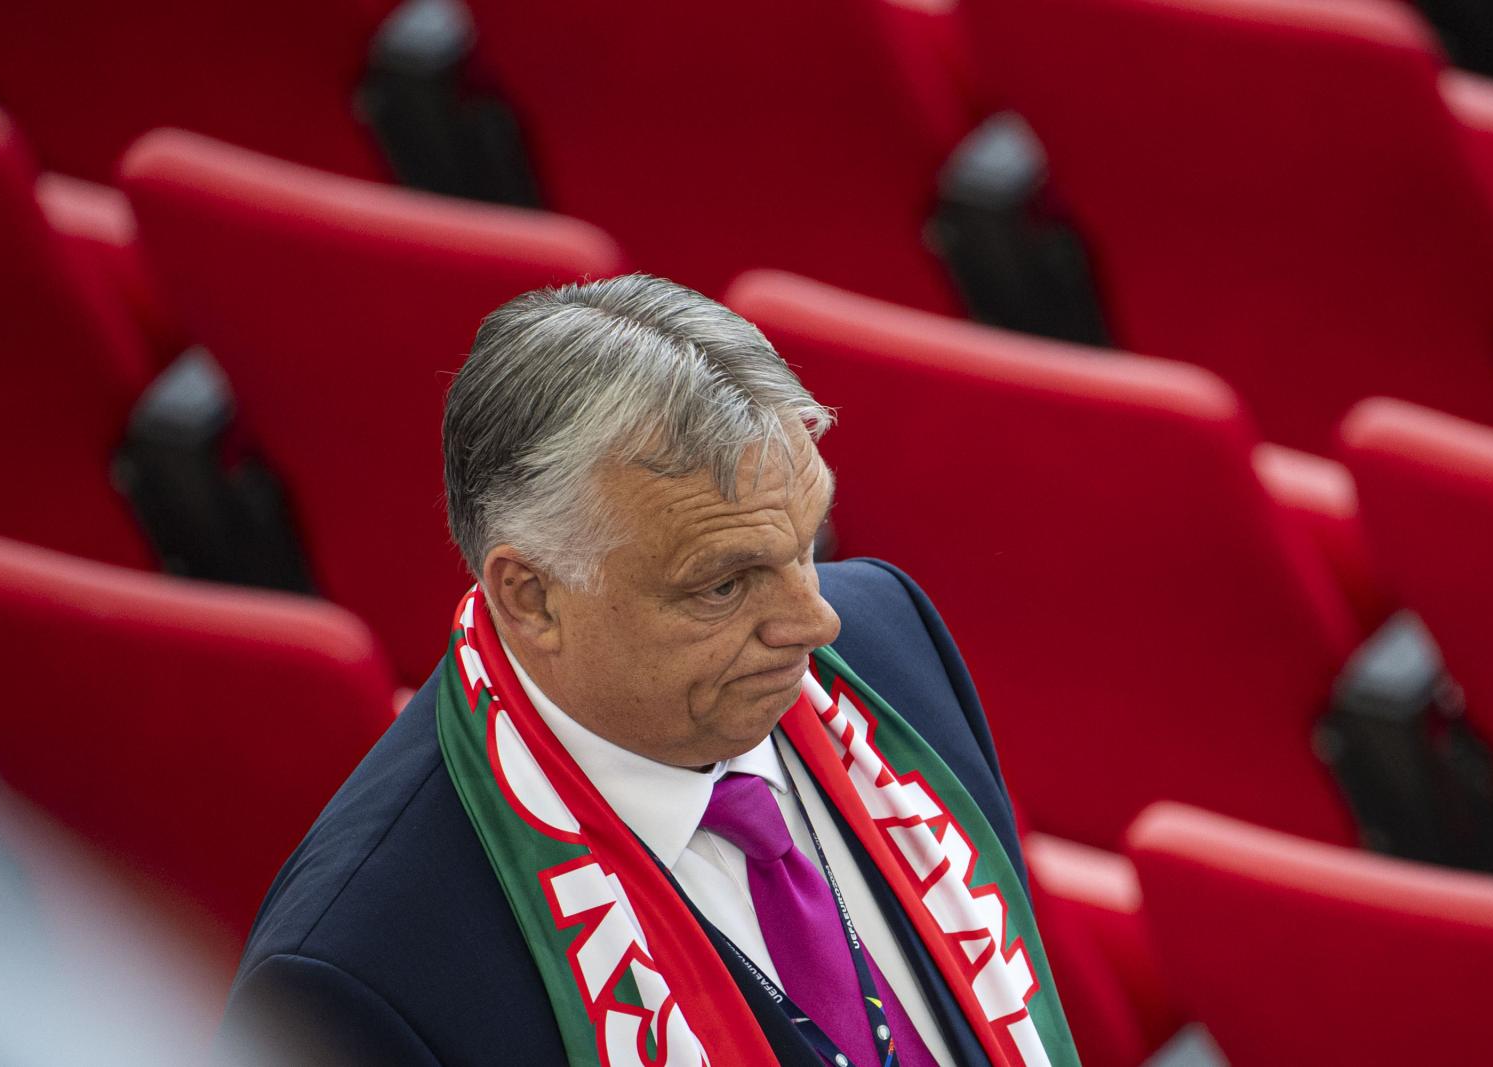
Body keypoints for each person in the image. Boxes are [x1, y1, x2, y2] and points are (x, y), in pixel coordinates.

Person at [223, 275, 1080, 1066]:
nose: (817, 623)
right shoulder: (358, 979)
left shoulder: (893, 639)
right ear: (531, 597)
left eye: (808, 544)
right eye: (724, 584)